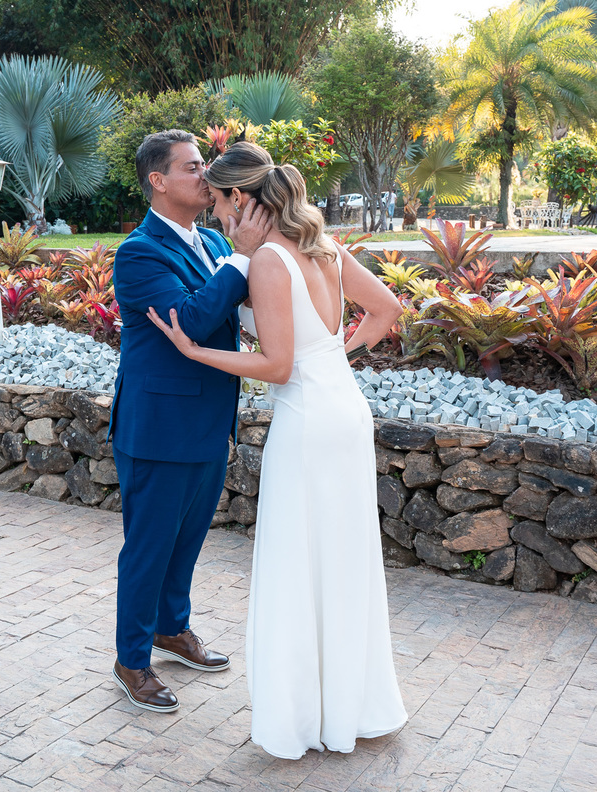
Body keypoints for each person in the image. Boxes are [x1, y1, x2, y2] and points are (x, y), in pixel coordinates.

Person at [147, 141, 408, 759]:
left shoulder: (266, 260)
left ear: (240, 198)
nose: (214, 215)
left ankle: (303, 720)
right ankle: (354, 707)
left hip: (308, 424)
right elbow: (387, 310)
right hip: (344, 411)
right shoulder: (323, 245)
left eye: (217, 202)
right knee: (342, 563)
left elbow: (278, 366)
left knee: (298, 565)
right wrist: (335, 357)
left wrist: (195, 351)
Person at [107, 130, 271, 713]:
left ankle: (172, 629)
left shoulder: (208, 239)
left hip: (209, 420)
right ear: (158, 180)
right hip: (158, 428)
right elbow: (193, 322)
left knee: (187, 542)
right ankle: (132, 659)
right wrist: (244, 257)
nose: (207, 176)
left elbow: (232, 312)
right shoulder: (138, 252)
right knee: (149, 549)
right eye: (193, 167)